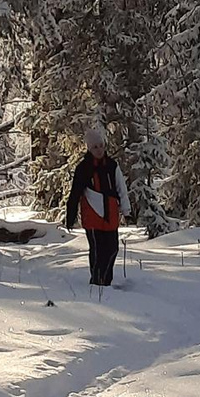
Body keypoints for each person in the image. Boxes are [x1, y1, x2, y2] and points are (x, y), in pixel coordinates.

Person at [64, 123, 130, 288]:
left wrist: (126, 208)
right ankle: (97, 283)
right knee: (98, 251)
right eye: (95, 147)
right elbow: (75, 193)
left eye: (101, 146)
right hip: (92, 216)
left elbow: (121, 187)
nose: (99, 150)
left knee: (113, 249)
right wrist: (70, 216)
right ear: (89, 149)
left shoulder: (112, 165)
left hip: (111, 215)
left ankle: (105, 282)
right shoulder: (83, 168)